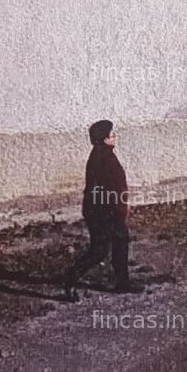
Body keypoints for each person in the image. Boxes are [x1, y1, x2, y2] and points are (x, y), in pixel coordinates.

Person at [64, 120, 143, 301]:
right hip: (105, 213)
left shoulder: (102, 155)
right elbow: (107, 190)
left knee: (118, 244)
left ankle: (122, 282)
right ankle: (70, 278)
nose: (114, 136)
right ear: (105, 139)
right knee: (100, 251)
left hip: (105, 211)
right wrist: (117, 211)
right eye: (111, 134)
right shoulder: (103, 159)